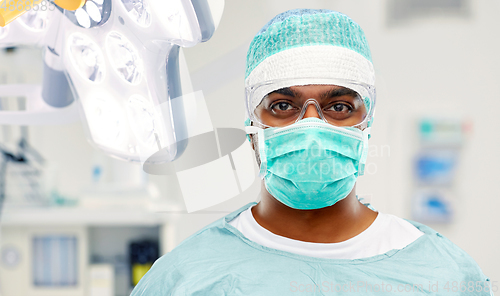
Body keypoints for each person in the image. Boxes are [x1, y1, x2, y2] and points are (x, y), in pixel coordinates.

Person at [130, 9, 492, 295]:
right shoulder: (183, 280)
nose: (312, 130)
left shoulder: (445, 277)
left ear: (367, 124)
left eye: (338, 108)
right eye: (285, 106)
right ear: (253, 129)